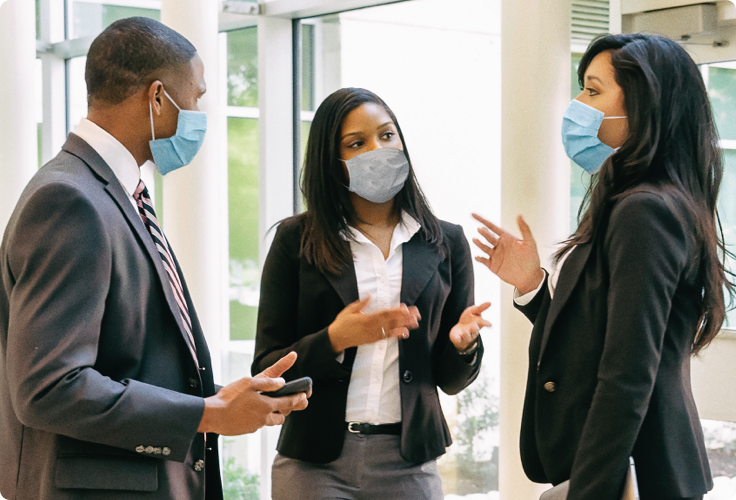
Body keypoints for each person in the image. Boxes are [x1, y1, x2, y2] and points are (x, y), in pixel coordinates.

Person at [0, 17, 307, 500]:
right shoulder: (70, 199)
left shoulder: (114, 193)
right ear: (158, 97)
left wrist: (221, 399)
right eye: (197, 98)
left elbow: (126, 361)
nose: (200, 114)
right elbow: (49, 388)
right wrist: (208, 414)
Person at [473, 33, 732, 500]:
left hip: (638, 474)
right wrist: (533, 284)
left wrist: (588, 493)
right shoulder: (635, 202)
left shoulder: (644, 210)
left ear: (644, 106)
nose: (577, 105)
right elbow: (600, 335)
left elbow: (627, 374)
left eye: (593, 90)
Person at [251, 87, 490, 499]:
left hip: (409, 462)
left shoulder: (446, 242)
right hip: (314, 463)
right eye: (356, 143)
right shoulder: (296, 240)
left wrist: (462, 345)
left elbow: (451, 382)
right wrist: (335, 339)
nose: (378, 149)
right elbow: (267, 368)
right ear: (333, 161)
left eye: (386, 135)